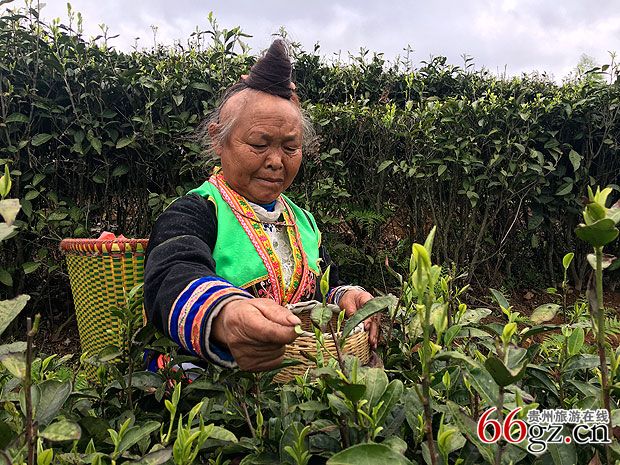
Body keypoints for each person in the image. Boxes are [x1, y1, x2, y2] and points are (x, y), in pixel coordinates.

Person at [143, 39, 379, 372]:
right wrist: (226, 314)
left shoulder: (303, 222)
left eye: (290, 148)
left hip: (300, 378)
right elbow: (171, 273)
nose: (276, 161)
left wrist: (346, 297)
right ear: (218, 139)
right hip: (215, 383)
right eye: (259, 144)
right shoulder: (196, 211)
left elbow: (322, 289)